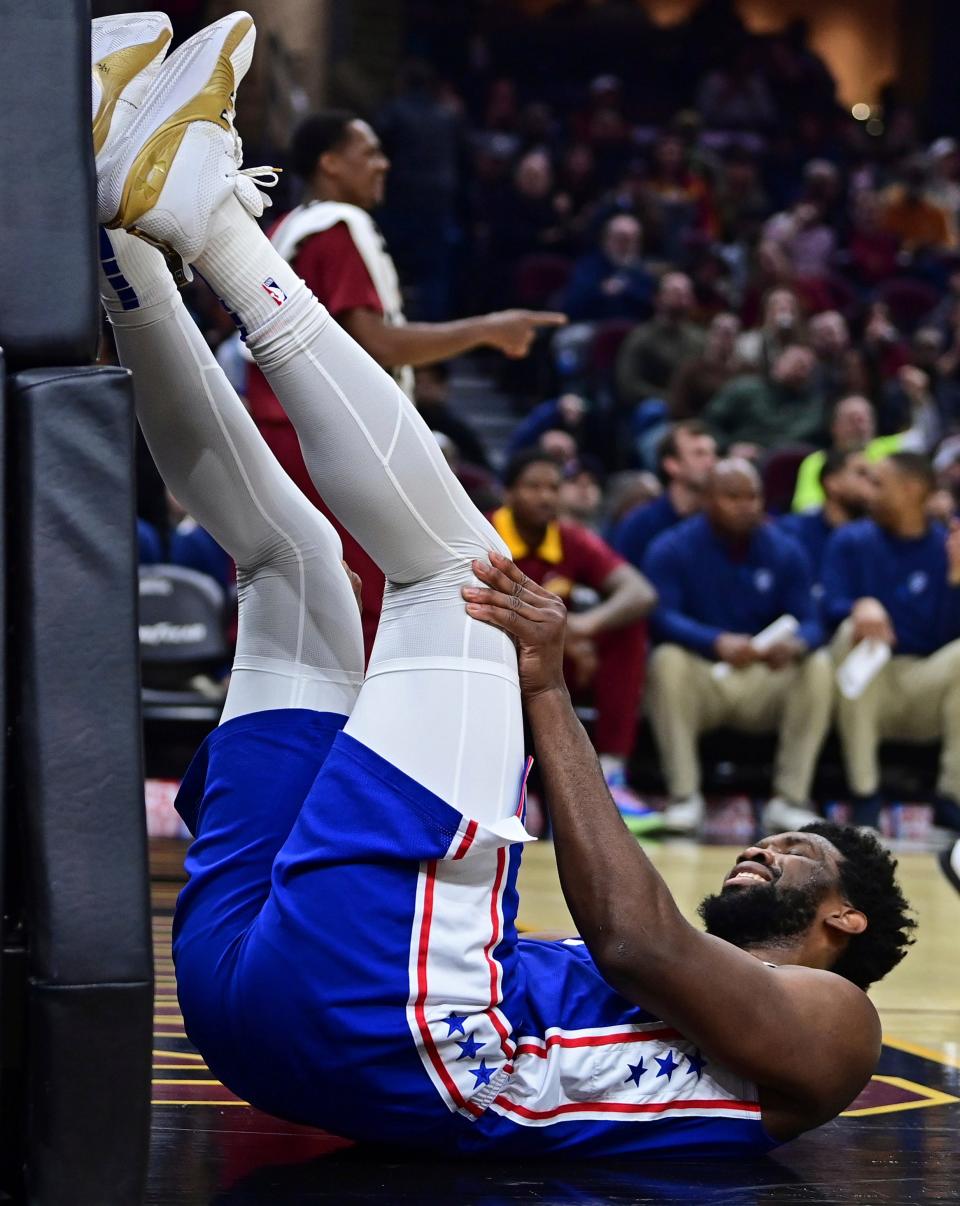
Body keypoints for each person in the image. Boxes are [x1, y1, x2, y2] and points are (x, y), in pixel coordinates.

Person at [95, 10, 915, 1159]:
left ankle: (212, 226)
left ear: (846, 920)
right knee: (295, 570)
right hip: (267, 1006)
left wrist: (545, 689)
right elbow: (627, 952)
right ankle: (123, 242)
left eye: (799, 858)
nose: (765, 851)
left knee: (460, 579)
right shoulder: (705, 986)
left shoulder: (839, 1026)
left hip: (388, 1030)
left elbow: (634, 940)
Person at [245, 107, 565, 656]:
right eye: (368, 152)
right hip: (325, 436)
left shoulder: (289, 227)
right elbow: (378, 344)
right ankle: (369, 723)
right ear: (330, 164)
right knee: (370, 586)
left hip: (280, 426)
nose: (383, 164)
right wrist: (488, 330)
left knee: (302, 590)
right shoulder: (339, 230)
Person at [643, 461, 833, 836]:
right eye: (734, 497)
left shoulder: (785, 550)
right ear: (708, 500)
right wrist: (713, 641)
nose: (747, 505)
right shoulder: (672, 547)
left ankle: (788, 801)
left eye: (754, 496)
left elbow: (813, 621)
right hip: (704, 676)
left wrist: (796, 645)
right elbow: (660, 617)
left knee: (819, 664)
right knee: (666, 660)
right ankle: (685, 797)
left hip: (763, 678)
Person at [491, 451, 658, 830]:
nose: (546, 497)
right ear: (509, 492)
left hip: (550, 657)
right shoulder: (484, 532)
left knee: (627, 629)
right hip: (496, 652)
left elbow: (640, 592)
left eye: (553, 487)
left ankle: (613, 774)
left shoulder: (568, 538)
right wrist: (563, 638)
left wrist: (582, 627)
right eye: (533, 486)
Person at [821, 453, 960, 832]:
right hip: (865, 686)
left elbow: (943, 637)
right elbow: (827, 608)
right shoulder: (849, 539)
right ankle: (865, 796)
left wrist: (955, 579)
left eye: (879, 483)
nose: (869, 493)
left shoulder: (943, 547)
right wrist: (859, 606)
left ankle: (952, 798)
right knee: (854, 634)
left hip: (923, 684)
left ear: (912, 490)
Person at [613, 421, 717, 570]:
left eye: (713, 453)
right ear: (672, 465)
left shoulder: (720, 521)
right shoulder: (639, 525)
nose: (711, 462)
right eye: (699, 454)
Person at [791, 395, 909, 513]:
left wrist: (919, 401)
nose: (859, 425)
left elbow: (924, 436)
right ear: (834, 427)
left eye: (865, 419)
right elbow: (807, 509)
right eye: (852, 419)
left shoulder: (891, 448)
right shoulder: (817, 461)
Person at [703, 345, 826, 455]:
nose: (799, 369)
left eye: (805, 366)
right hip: (740, 456)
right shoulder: (744, 388)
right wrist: (728, 447)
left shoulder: (812, 405)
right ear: (778, 362)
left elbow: (812, 436)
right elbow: (709, 423)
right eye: (796, 362)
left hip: (785, 462)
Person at [777, 449, 875, 586]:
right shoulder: (791, 533)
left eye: (873, 476)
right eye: (861, 474)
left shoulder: (879, 537)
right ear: (832, 483)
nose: (871, 483)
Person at [615, 273, 705, 408]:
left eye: (686, 294)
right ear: (658, 299)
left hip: (693, 408)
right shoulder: (641, 337)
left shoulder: (700, 339)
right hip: (655, 406)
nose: (682, 299)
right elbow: (628, 384)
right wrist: (667, 398)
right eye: (676, 293)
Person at [562, 213, 656, 323]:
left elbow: (650, 303)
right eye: (620, 239)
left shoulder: (643, 271)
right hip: (591, 324)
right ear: (607, 239)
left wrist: (625, 290)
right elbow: (573, 304)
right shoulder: (588, 266)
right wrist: (601, 291)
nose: (625, 246)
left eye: (630, 240)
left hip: (633, 328)